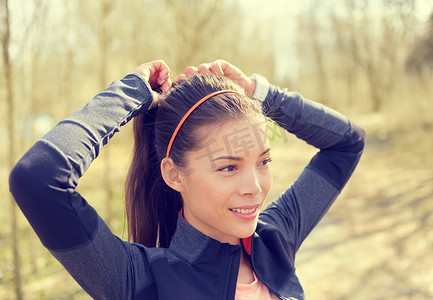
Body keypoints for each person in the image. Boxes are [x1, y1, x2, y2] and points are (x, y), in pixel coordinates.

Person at [9, 59, 366, 299]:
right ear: (174, 174)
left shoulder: (275, 240)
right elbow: (38, 178)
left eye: (264, 161)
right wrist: (131, 93)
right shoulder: (142, 280)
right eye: (228, 167)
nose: (255, 188)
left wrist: (260, 94)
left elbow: (346, 144)